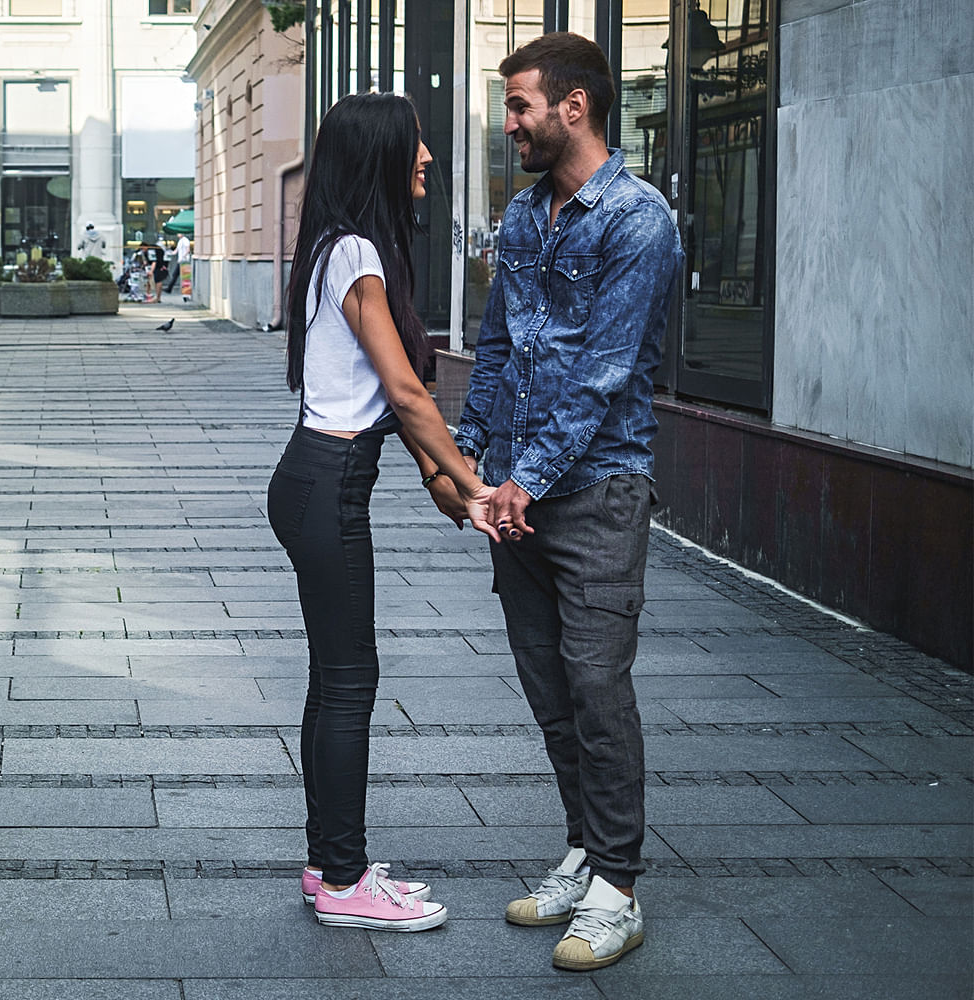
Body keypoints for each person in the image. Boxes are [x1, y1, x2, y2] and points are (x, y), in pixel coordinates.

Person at [453, 33, 684, 971]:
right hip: (517, 495)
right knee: (551, 693)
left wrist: (524, 479)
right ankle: (584, 851)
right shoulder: (521, 215)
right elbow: (498, 346)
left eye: (519, 107)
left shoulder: (639, 220)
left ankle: (619, 889)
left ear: (573, 107)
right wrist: (467, 455)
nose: (509, 123)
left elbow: (603, 374)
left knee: (596, 687)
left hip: (596, 494)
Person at [267, 92, 500, 933]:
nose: (429, 157)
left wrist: (448, 490)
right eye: (416, 144)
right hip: (327, 487)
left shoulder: (336, 247)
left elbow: (383, 402)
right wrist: (474, 487)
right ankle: (343, 878)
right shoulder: (357, 250)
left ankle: (328, 861)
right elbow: (404, 393)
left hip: (317, 478)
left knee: (333, 678)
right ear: (380, 158)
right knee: (351, 679)